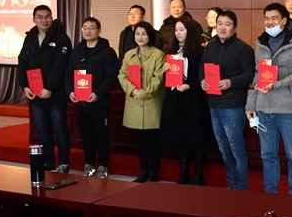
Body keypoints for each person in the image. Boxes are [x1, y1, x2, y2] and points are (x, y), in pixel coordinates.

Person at [245, 3, 292, 195]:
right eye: (267, 18)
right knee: (267, 155)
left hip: (289, 109)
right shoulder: (260, 45)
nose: (270, 22)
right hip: (264, 108)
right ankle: (270, 193)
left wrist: (276, 83)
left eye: (274, 18)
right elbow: (257, 74)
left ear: (284, 20)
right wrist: (250, 104)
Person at [200, 10, 255, 190]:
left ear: (235, 27)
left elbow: (250, 74)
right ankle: (231, 185)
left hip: (233, 106)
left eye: (227, 24)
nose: (223, 27)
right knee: (224, 150)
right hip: (214, 104)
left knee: (236, 150)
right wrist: (202, 81)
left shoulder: (243, 49)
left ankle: (241, 188)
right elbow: (202, 68)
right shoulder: (210, 47)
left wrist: (231, 82)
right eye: (220, 23)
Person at [17, 5, 72, 173]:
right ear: (34, 19)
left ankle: (64, 163)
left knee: (59, 127)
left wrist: (49, 88)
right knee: (42, 129)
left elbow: (61, 66)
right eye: (40, 17)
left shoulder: (61, 38)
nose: (44, 20)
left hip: (55, 93)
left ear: (52, 18)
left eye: (47, 16)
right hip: (35, 93)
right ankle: (48, 162)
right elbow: (22, 61)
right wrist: (25, 85)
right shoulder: (30, 37)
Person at [65, 17, 118, 178]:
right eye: (85, 28)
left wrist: (97, 94)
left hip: (100, 102)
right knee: (86, 135)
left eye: (92, 28)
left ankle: (102, 166)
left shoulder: (108, 52)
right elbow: (69, 74)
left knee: (101, 135)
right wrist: (70, 91)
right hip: (81, 102)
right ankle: (89, 164)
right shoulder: (76, 51)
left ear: (99, 30)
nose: (88, 31)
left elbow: (111, 77)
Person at [160, 18, 208, 185]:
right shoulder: (171, 51)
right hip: (176, 98)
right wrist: (165, 70)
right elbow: (167, 79)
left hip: (193, 98)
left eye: (182, 29)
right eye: (176, 30)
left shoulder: (199, 53)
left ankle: (199, 174)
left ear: (190, 31)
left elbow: (203, 78)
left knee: (196, 134)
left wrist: (190, 85)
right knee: (180, 134)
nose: (178, 33)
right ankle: (183, 172)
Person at [118, 21, 166, 183]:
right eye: (137, 34)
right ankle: (144, 169)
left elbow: (158, 79)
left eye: (144, 34)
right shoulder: (129, 54)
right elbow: (121, 75)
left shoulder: (158, 55)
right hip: (134, 101)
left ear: (150, 36)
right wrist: (131, 90)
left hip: (152, 102)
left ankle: (154, 171)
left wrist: (144, 93)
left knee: (154, 141)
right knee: (140, 141)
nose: (140, 37)